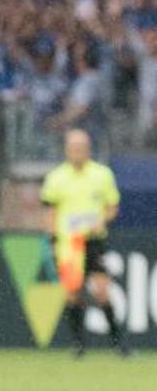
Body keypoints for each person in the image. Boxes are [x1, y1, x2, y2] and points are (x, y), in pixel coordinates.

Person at [42, 128, 127, 357]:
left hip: (93, 241)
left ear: (88, 150)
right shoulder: (56, 177)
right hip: (68, 244)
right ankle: (79, 345)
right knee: (72, 293)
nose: (77, 153)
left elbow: (112, 207)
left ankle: (118, 344)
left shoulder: (102, 174)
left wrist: (102, 220)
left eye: (81, 148)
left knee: (101, 290)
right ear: (67, 150)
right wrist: (52, 239)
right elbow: (51, 211)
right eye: (73, 149)